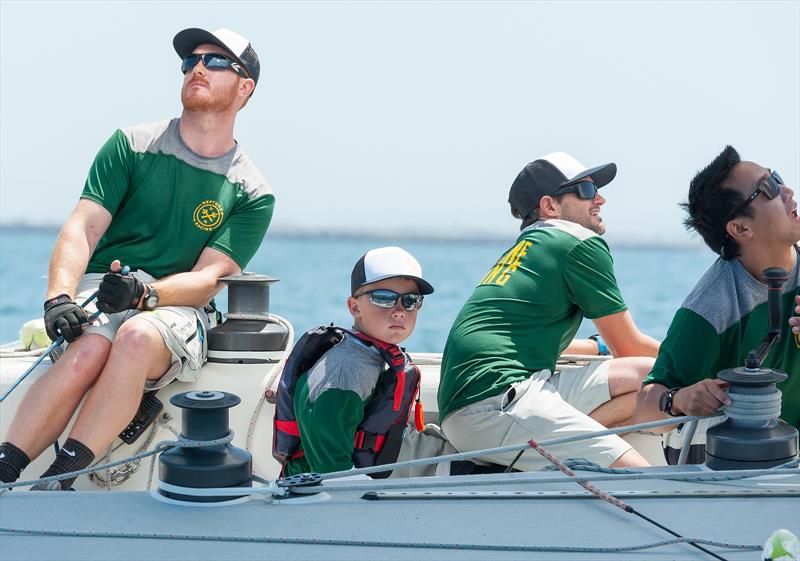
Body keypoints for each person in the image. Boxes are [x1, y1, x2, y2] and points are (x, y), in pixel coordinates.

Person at [0, 28, 274, 489]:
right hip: (105, 286)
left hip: (176, 303)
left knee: (137, 337)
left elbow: (209, 278)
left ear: (245, 87)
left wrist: (148, 293)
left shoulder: (252, 191)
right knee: (89, 347)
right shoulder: (130, 144)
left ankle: (59, 480)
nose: (198, 67)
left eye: (216, 61)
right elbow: (83, 226)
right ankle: (5, 470)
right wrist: (58, 298)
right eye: (190, 61)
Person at [438, 152, 660, 471]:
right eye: (585, 191)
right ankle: (572, 453)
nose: (600, 198)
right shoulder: (577, 242)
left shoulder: (528, 249)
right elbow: (626, 345)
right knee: (639, 475)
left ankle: (567, 449)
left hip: (480, 401)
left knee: (644, 374)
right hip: (495, 403)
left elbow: (514, 336)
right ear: (550, 206)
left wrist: (594, 346)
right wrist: (717, 366)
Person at [634, 146, 799, 462]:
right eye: (770, 188)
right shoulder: (709, 309)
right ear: (740, 229)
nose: (788, 191)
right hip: (729, 470)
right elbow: (644, 409)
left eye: (777, 177)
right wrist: (680, 398)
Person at [273, 246, 434, 477]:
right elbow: (330, 470)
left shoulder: (371, 354)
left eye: (411, 300)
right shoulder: (346, 370)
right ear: (354, 307)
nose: (400, 311)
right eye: (384, 298)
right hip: (312, 491)